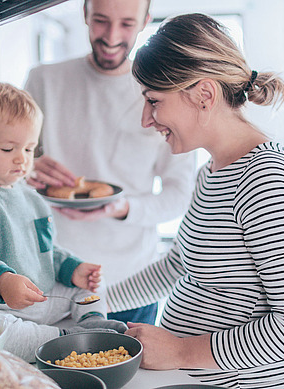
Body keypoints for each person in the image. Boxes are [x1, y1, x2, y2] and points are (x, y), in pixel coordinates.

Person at [106, 13, 284, 389]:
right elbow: (177, 265)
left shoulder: (268, 181)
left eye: (153, 101)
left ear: (204, 95)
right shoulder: (211, 171)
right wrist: (95, 306)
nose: (147, 119)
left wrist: (180, 352)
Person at [24, 0, 196, 325]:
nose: (112, 36)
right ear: (84, 14)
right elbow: (6, 166)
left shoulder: (165, 94)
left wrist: (124, 209)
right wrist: (26, 167)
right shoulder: (43, 80)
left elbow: (179, 195)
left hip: (131, 285)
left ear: (146, 21)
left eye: (127, 24)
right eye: (101, 20)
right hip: (52, 281)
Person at [0, 82, 126, 362]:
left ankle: (90, 324)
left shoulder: (32, 197)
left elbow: (47, 249)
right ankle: (67, 341)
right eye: (8, 149)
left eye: (29, 149)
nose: (22, 160)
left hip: (41, 297)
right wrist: (2, 282)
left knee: (89, 287)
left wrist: (73, 269)